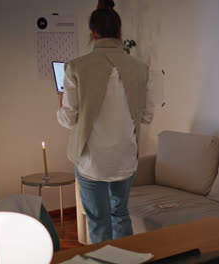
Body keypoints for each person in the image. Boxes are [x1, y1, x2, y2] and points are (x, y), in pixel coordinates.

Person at [57, 0, 154, 243]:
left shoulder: (75, 68)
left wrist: (60, 104)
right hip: (126, 158)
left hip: (92, 160)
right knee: (120, 214)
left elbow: (69, 119)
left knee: (98, 221)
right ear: (120, 33)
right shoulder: (140, 68)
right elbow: (147, 115)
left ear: (92, 33)